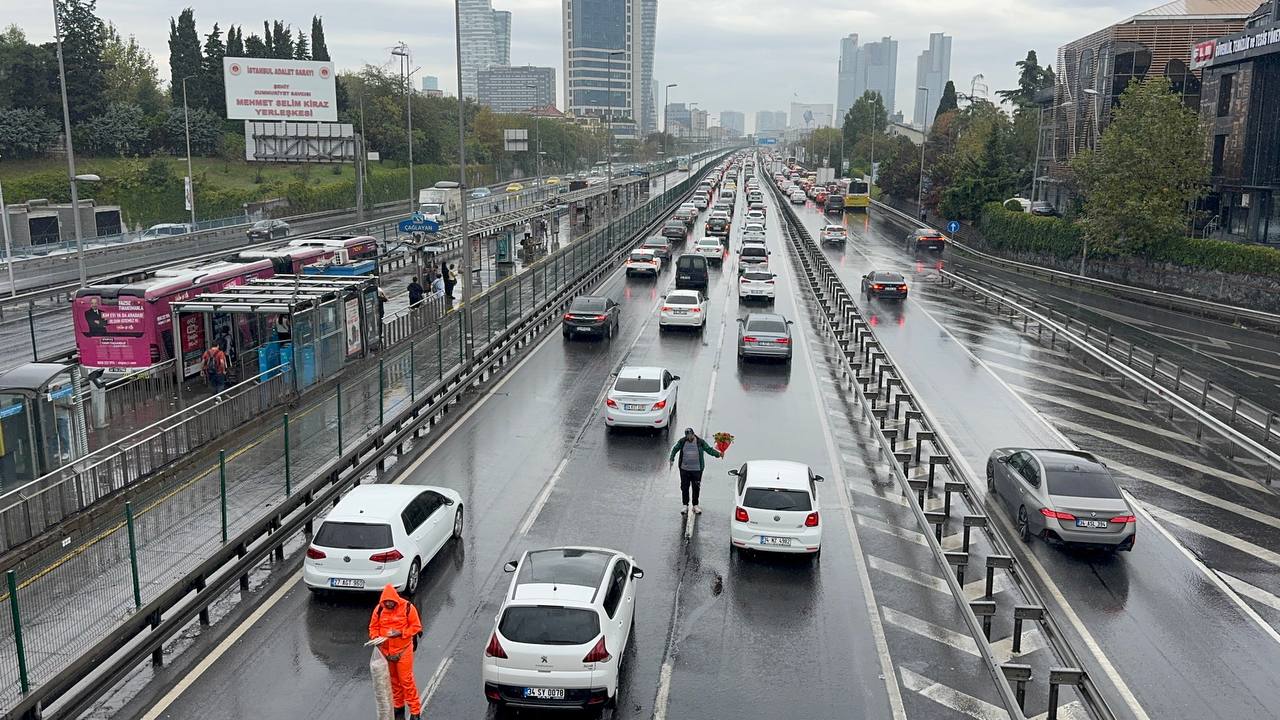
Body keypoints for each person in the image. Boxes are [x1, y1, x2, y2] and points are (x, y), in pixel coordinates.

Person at [369, 585, 423, 720]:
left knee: (406, 681)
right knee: (394, 682)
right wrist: (376, 638)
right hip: (386, 653)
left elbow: (416, 627)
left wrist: (401, 633)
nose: (388, 604)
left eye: (390, 602)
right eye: (386, 602)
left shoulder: (408, 608)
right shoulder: (379, 609)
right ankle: (398, 706)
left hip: (403, 651)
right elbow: (373, 627)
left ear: (395, 599)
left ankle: (415, 711)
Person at [667, 428, 722, 515]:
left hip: (697, 470)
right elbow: (675, 449)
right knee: (684, 487)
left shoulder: (700, 442)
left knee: (696, 487)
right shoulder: (682, 441)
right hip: (684, 469)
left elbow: (709, 449)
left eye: (690, 435)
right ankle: (685, 505)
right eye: (687, 435)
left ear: (693, 434)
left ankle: (695, 505)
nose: (689, 437)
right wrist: (671, 458)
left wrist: (718, 454)